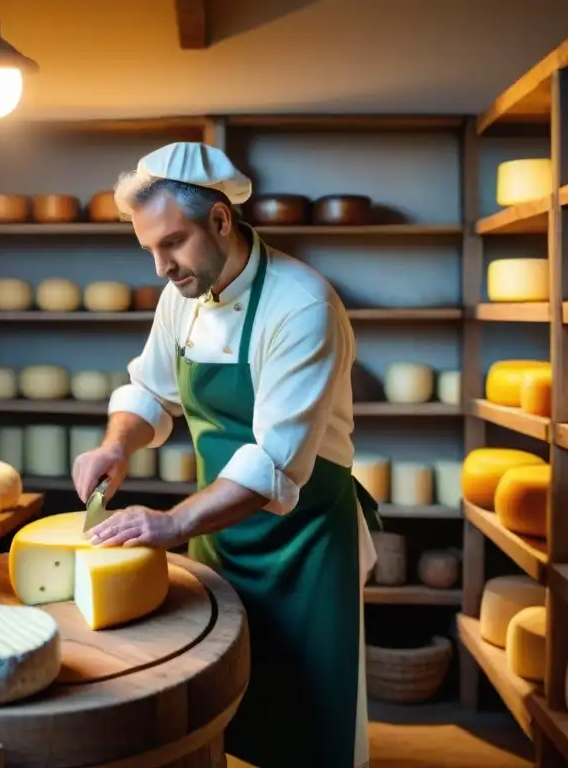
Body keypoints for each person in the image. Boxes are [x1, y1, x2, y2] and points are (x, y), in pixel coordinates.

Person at [72, 141, 379, 768]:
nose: (161, 267)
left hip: (305, 542)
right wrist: (116, 444)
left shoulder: (302, 306)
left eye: (173, 244)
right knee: (225, 709)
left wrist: (173, 522)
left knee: (310, 717)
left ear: (220, 221)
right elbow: (150, 390)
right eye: (149, 250)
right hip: (220, 530)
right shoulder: (180, 296)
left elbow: (274, 460)